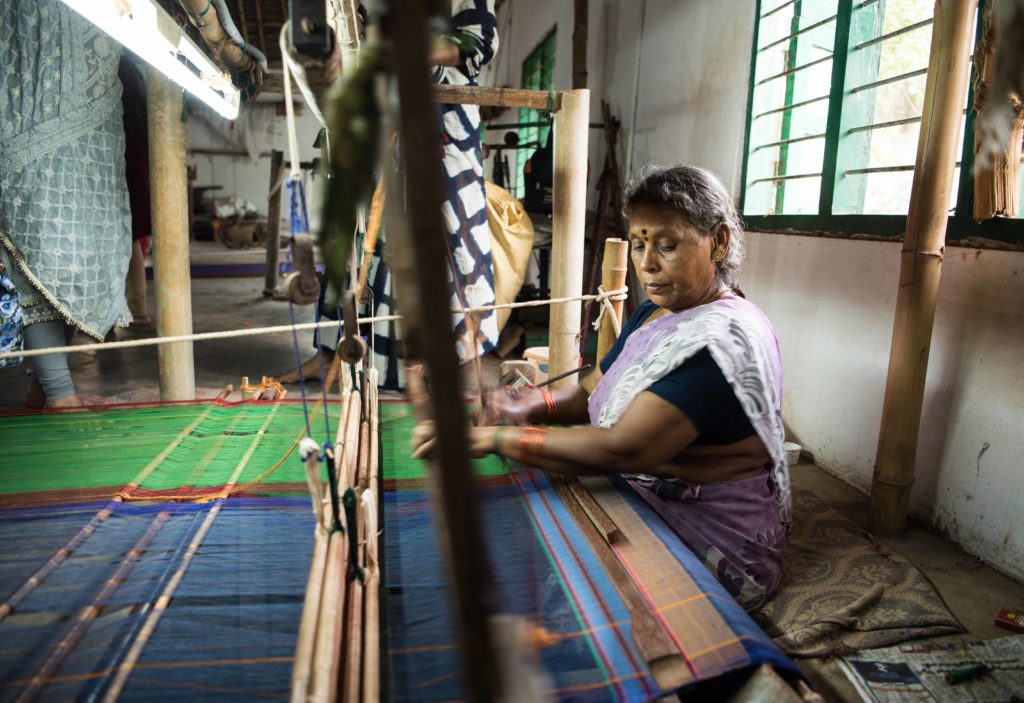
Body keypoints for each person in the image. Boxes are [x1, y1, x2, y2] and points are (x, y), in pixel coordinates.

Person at [414, 164, 791, 610]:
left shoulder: (719, 341)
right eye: (639, 244)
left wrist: (497, 437)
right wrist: (530, 404)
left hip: (711, 537)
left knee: (531, 583)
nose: (647, 264)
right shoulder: (656, 313)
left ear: (720, 241)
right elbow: (592, 389)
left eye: (667, 246)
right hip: (646, 490)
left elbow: (625, 450)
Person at [281, 0, 500, 389]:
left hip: (442, 122)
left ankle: (453, 364)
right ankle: (333, 354)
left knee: (449, 239)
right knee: (353, 233)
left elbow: (476, 42)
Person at [0, 0, 133, 407]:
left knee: (82, 259)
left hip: (95, 121)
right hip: (25, 119)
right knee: (35, 252)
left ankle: (50, 386)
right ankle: (59, 394)